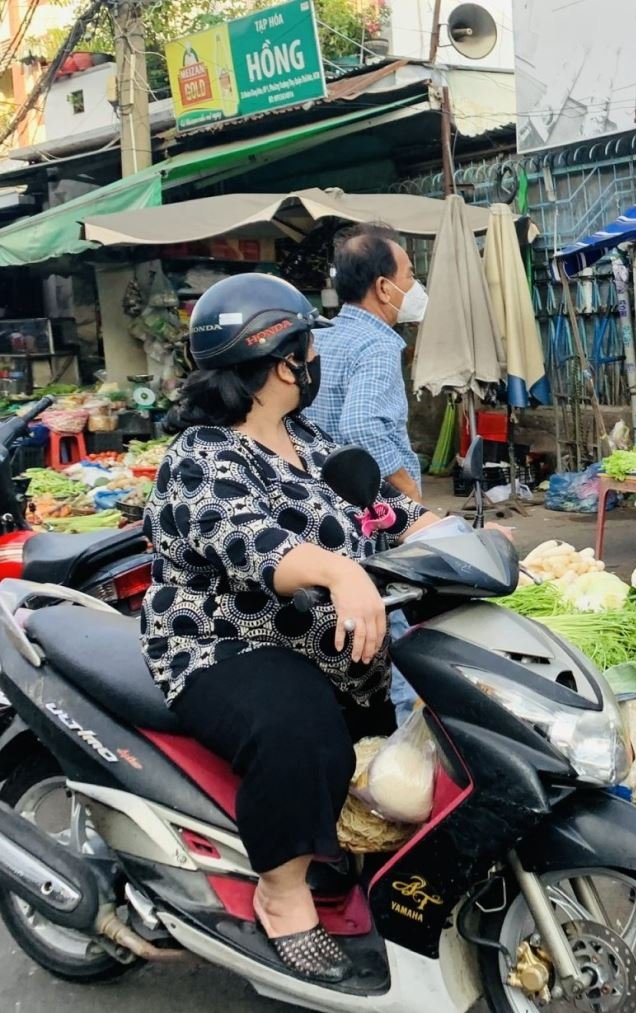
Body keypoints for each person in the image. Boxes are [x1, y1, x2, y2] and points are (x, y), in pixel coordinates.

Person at [142, 273, 446, 983]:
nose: (317, 361)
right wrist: (339, 574)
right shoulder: (201, 454)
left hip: (329, 641)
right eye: (312, 348)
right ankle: (280, 895)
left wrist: (442, 528)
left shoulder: (306, 437)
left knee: (408, 734)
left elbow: (370, 513)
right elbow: (249, 541)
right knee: (304, 730)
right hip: (221, 641)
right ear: (286, 361)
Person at [304, 223, 429, 722]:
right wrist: (409, 499)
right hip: (370, 517)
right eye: (411, 275)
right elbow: (362, 427)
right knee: (398, 629)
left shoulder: (321, 337)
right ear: (383, 287)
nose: (416, 288)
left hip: (318, 517)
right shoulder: (378, 346)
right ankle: (408, 751)